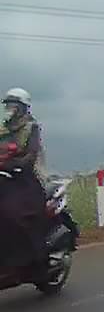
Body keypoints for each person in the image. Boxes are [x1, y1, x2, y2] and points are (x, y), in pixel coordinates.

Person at [0, 88, 48, 272]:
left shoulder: (31, 127)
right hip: (4, 175)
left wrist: (11, 164)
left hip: (25, 177)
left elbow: (31, 155)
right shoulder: (3, 127)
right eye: (8, 104)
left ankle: (27, 259)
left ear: (23, 107)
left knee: (12, 213)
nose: (10, 108)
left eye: (14, 105)